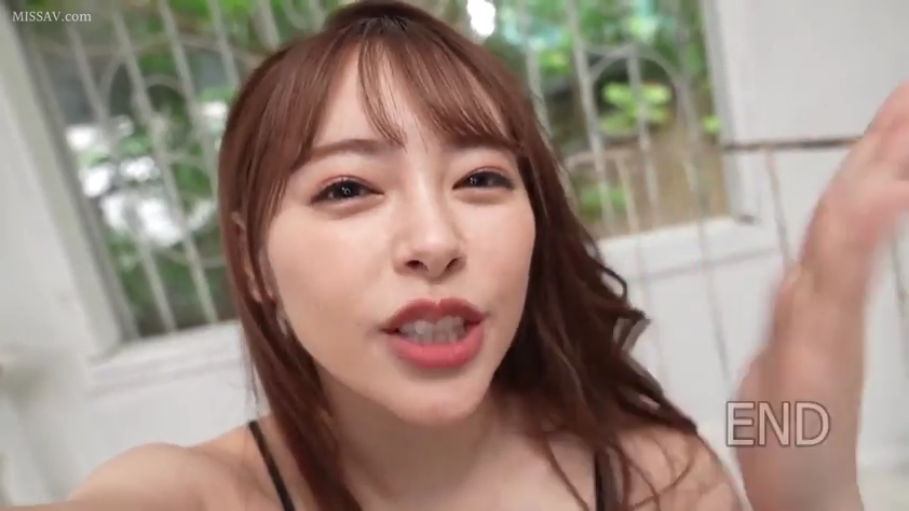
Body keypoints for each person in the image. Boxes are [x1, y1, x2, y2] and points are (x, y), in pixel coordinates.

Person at [17, 0, 909, 509]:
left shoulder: (654, 477)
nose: (436, 241)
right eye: (346, 188)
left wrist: (810, 493)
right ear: (252, 264)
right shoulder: (187, 494)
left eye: (481, 178)